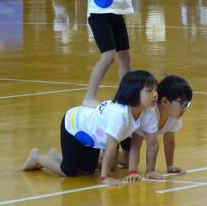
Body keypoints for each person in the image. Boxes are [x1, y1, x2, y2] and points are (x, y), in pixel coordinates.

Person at [22, 70, 158, 186]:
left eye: (155, 89)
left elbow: (148, 144)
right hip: (75, 126)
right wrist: (105, 177)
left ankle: (56, 156)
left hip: (93, 137)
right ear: (133, 93)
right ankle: (37, 157)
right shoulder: (119, 114)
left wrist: (147, 171)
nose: (155, 94)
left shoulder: (148, 111)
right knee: (69, 171)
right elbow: (110, 146)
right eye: (149, 90)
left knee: (87, 171)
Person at [121, 74, 193, 176]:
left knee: (125, 161)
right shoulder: (148, 113)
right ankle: (104, 153)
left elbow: (169, 141)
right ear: (164, 101)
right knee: (119, 162)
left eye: (187, 104)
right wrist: (134, 172)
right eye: (182, 103)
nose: (185, 108)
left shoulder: (174, 115)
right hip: (121, 134)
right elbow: (136, 144)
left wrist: (170, 166)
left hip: (130, 138)